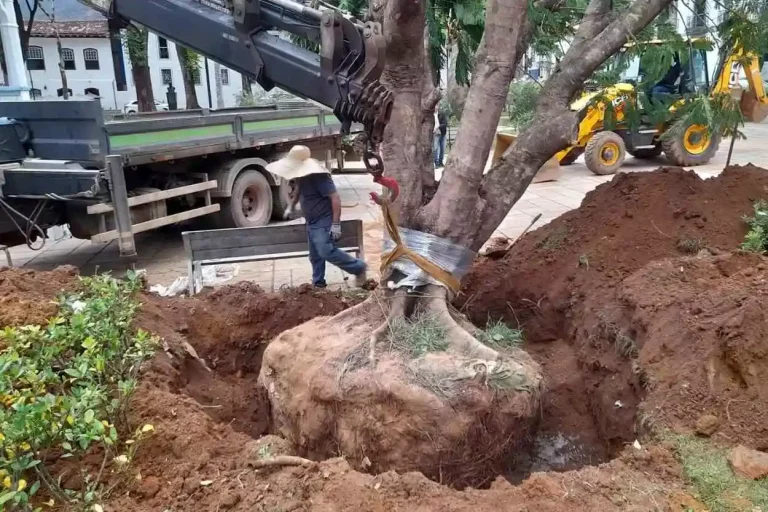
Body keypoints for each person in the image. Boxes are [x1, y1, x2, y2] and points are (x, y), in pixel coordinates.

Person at [266, 145, 366, 288]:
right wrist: (291, 207)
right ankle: (318, 283)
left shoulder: (319, 176)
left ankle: (358, 267)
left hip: (323, 220)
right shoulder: (302, 175)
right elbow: (298, 191)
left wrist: (336, 225)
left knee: (325, 250)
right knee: (315, 256)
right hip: (311, 221)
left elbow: (335, 198)